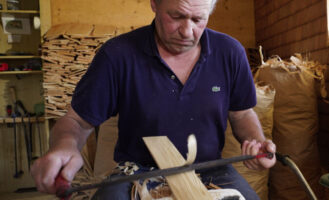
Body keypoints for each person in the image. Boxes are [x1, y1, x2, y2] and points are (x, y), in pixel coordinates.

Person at [30, 0, 276, 199]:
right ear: (154, 4)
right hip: (136, 172)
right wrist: (63, 146)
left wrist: (257, 143)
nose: (188, 31)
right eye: (177, 16)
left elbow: (242, 113)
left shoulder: (229, 52)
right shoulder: (118, 55)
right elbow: (77, 122)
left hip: (211, 169)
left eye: (198, 19)